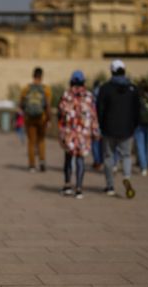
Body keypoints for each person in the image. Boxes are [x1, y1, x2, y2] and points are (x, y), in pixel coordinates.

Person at [97, 60, 139, 198]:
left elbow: (100, 109)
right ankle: (126, 176)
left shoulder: (105, 88)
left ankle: (110, 186)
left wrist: (101, 126)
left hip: (109, 129)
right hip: (127, 129)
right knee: (126, 156)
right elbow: (137, 110)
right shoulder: (133, 89)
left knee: (109, 157)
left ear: (112, 71)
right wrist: (133, 126)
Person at [57, 71, 99, 199]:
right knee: (80, 159)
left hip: (69, 132)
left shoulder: (66, 95)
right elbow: (93, 115)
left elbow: (61, 113)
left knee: (68, 158)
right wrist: (95, 131)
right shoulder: (89, 96)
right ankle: (79, 188)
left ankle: (68, 185)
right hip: (83, 134)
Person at [20, 67, 52, 173]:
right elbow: (47, 105)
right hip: (41, 118)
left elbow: (21, 104)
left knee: (31, 142)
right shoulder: (46, 89)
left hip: (29, 119)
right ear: (41, 76)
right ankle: (42, 161)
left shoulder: (26, 89)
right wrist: (49, 119)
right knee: (41, 140)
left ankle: (32, 165)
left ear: (33, 75)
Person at [134, 81, 148, 176]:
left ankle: (143, 167)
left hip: (139, 125)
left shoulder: (137, 98)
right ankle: (145, 164)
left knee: (140, 146)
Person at [91, 80, 104, 171]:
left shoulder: (92, 95)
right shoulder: (104, 93)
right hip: (103, 121)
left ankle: (97, 161)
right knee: (102, 143)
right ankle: (101, 160)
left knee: (95, 142)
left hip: (95, 121)